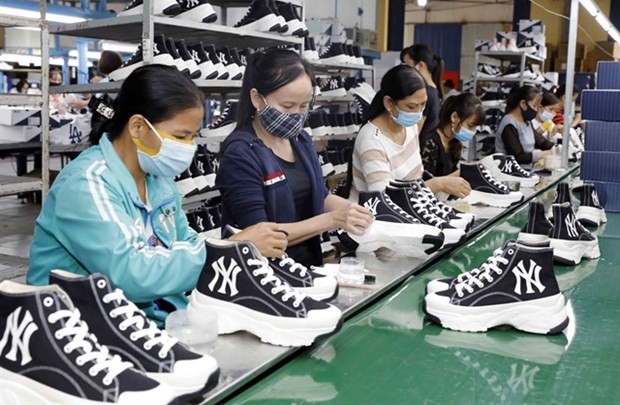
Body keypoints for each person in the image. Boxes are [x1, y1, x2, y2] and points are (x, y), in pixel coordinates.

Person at [27, 65, 287, 326]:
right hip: (77, 329)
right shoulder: (86, 183)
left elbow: (185, 242)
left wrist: (231, 252)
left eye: (193, 137)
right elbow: (130, 273)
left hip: (144, 320)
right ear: (138, 127)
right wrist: (230, 250)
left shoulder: (158, 180)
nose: (189, 148)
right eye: (180, 136)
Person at [216, 49, 373, 268]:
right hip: (263, 275)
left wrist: (357, 213)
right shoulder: (241, 154)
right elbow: (263, 236)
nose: (297, 115)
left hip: (307, 267)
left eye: (304, 106)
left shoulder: (301, 141)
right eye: (287, 106)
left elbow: (320, 196)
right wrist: (332, 220)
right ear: (256, 99)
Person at [349, 64, 472, 199]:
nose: (418, 112)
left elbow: (416, 179)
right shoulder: (371, 140)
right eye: (411, 106)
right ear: (389, 103)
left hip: (410, 208)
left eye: (423, 105)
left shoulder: (409, 126)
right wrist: (438, 184)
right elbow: (385, 199)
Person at [421, 92, 485, 177]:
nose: (473, 131)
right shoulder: (430, 143)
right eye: (470, 126)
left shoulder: (454, 142)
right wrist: (465, 170)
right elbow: (428, 183)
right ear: (454, 117)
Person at [495, 85, 555, 165]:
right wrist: (543, 154)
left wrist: (558, 147)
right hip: (509, 172)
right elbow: (518, 156)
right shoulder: (509, 124)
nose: (536, 110)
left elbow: (541, 143)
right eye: (534, 105)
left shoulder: (527, 122)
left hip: (526, 170)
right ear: (523, 104)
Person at [400, 44, 444, 137]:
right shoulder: (433, 91)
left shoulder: (425, 94)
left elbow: (414, 133)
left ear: (420, 65)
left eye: (407, 66)